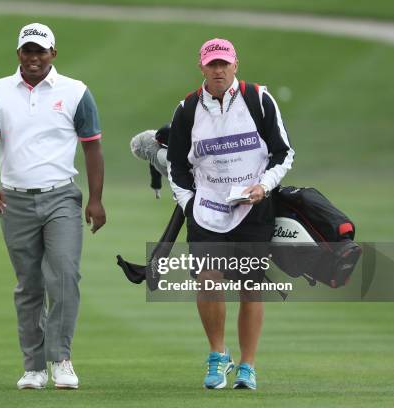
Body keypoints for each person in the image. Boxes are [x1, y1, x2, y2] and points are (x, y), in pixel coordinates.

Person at [0, 23, 106, 390]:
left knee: (64, 275)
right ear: (19, 54)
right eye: (27, 51)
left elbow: (92, 147)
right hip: (13, 199)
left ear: (53, 54)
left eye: (40, 51)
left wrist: (95, 199)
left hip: (61, 195)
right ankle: (33, 367)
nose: (34, 58)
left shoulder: (76, 92)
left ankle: (61, 359)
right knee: (29, 285)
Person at [167, 38, 294, 390]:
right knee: (209, 282)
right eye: (212, 64)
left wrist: (263, 187)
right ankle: (217, 354)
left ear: (235, 64)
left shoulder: (259, 100)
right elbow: (176, 167)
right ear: (202, 67)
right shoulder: (188, 109)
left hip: (253, 207)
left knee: (251, 288)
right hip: (206, 209)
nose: (218, 70)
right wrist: (189, 205)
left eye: (224, 63)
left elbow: (283, 154)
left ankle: (248, 366)